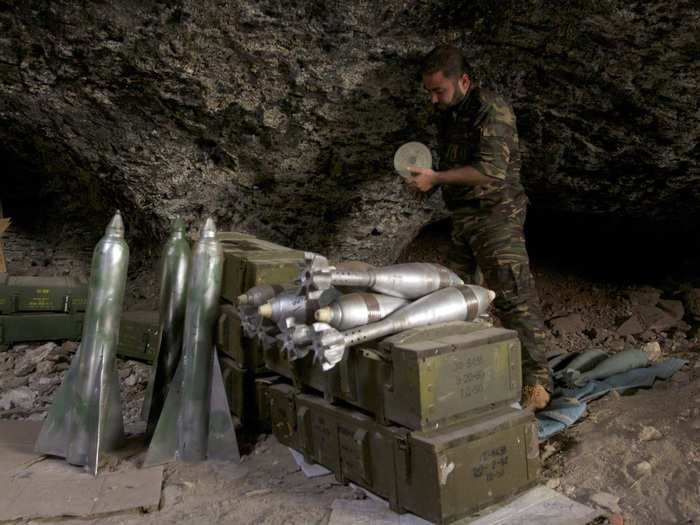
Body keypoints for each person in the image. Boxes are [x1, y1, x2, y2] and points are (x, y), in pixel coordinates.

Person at [405, 45, 553, 410]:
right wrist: (431, 183)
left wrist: (436, 178)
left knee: (513, 292)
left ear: (464, 81)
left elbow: (490, 170)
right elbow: (455, 164)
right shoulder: (449, 113)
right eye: (429, 91)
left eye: (439, 90)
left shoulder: (492, 110)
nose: (433, 98)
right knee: (452, 295)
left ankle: (537, 382)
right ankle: (467, 371)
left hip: (496, 216)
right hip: (464, 218)